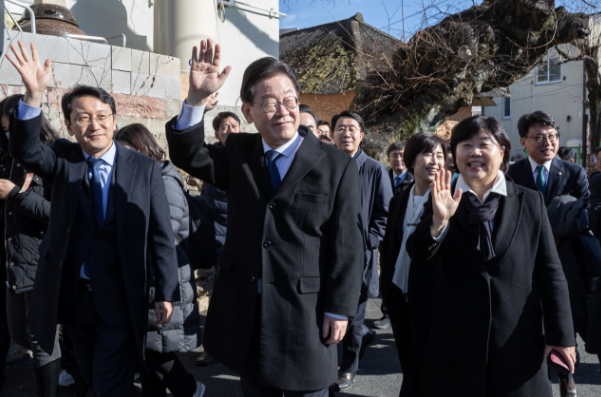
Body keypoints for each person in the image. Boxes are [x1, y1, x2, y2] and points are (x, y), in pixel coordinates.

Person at [165, 39, 364, 397]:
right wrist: (195, 99)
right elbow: (188, 153)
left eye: (289, 100)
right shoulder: (239, 153)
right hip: (250, 310)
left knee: (311, 391)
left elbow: (348, 242)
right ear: (248, 111)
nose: (283, 111)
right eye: (269, 103)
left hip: (308, 309)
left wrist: (340, 308)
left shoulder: (336, 164)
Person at [6, 41, 179, 397]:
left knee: (108, 384)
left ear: (114, 120)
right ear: (70, 126)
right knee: (88, 375)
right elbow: (25, 149)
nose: (94, 125)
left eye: (102, 116)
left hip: (120, 293)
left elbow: (160, 233)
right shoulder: (63, 158)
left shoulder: (143, 168)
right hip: (75, 299)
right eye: (82, 118)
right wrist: (33, 95)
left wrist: (166, 291)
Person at [408, 116, 576, 397]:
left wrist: (561, 336)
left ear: (503, 151)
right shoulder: (440, 198)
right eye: (465, 145)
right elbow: (418, 254)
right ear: (454, 155)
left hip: (518, 346)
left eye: (484, 144)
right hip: (454, 347)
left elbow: (551, 274)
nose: (474, 152)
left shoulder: (529, 201)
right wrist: (438, 221)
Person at [115, 124, 205, 397]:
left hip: (164, 274)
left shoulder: (165, 179)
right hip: (147, 273)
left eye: (128, 150)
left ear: (144, 147)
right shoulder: (140, 179)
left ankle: (191, 389)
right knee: (147, 349)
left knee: (156, 349)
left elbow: (167, 227)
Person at [507, 111, 589, 396]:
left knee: (563, 319)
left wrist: (553, 231)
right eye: (539, 137)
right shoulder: (512, 174)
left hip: (564, 261)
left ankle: (568, 380)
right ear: (523, 141)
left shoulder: (574, 172)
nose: (548, 142)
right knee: (529, 324)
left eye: (552, 136)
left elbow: (582, 215)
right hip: (524, 261)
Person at [0, 94, 61, 397]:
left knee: (41, 341)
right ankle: (74, 371)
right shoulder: (7, 158)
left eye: (13, 127)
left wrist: (16, 194)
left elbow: (57, 214)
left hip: (39, 259)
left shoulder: (50, 157)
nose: (10, 134)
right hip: (14, 262)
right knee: (21, 335)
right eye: (5, 129)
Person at [380, 132, 446, 397]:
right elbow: (389, 248)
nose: (435, 161)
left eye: (440, 156)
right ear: (411, 159)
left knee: (431, 364)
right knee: (408, 356)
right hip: (399, 294)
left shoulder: (449, 200)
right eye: (428, 154)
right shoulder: (399, 198)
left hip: (433, 297)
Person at [331, 111, 392, 390]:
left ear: (361, 135)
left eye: (352, 129)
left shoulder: (375, 169)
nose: (346, 133)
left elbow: (384, 212)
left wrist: (369, 239)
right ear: (332, 135)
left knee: (354, 314)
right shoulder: (325, 164)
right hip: (327, 252)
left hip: (360, 255)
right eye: (340, 128)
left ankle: (348, 367)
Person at [195, 110, 241, 367]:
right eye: (225, 127)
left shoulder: (250, 157)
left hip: (241, 235)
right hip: (215, 234)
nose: (231, 130)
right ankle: (212, 347)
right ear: (217, 133)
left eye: (235, 126)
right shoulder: (211, 157)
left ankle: (237, 344)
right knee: (217, 294)